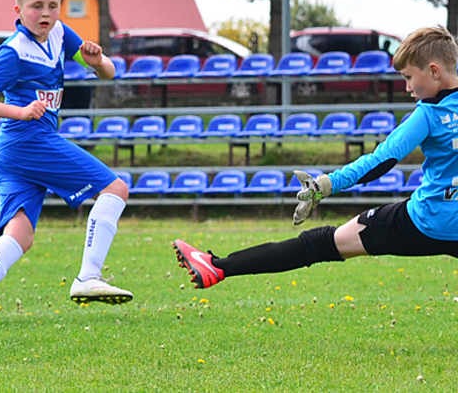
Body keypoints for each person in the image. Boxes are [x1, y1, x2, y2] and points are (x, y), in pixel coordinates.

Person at [173, 25, 458, 295]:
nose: (407, 87)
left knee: (322, 242)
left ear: (433, 71)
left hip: (429, 220)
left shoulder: (428, 113)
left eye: (408, 77)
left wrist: (327, 184)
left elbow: (381, 160)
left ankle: (218, 267)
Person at [0, 0, 132, 327]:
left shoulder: (60, 34)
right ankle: (88, 277)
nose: (46, 13)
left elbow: (107, 73)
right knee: (116, 188)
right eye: (36, 6)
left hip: (15, 151)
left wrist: (97, 62)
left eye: (53, 5)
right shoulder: (13, 51)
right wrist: (20, 111)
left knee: (21, 235)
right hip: (28, 141)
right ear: (18, 10)